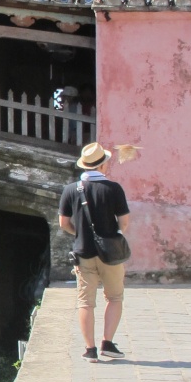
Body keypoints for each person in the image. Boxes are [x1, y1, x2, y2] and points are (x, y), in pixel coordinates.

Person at [58, 142, 131, 362]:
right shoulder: (114, 189)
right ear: (102, 165)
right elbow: (124, 222)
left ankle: (90, 350)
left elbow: (63, 223)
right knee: (114, 297)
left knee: (86, 302)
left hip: (83, 253)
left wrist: (79, 233)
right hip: (110, 253)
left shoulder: (70, 189)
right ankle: (107, 343)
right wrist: (114, 234)